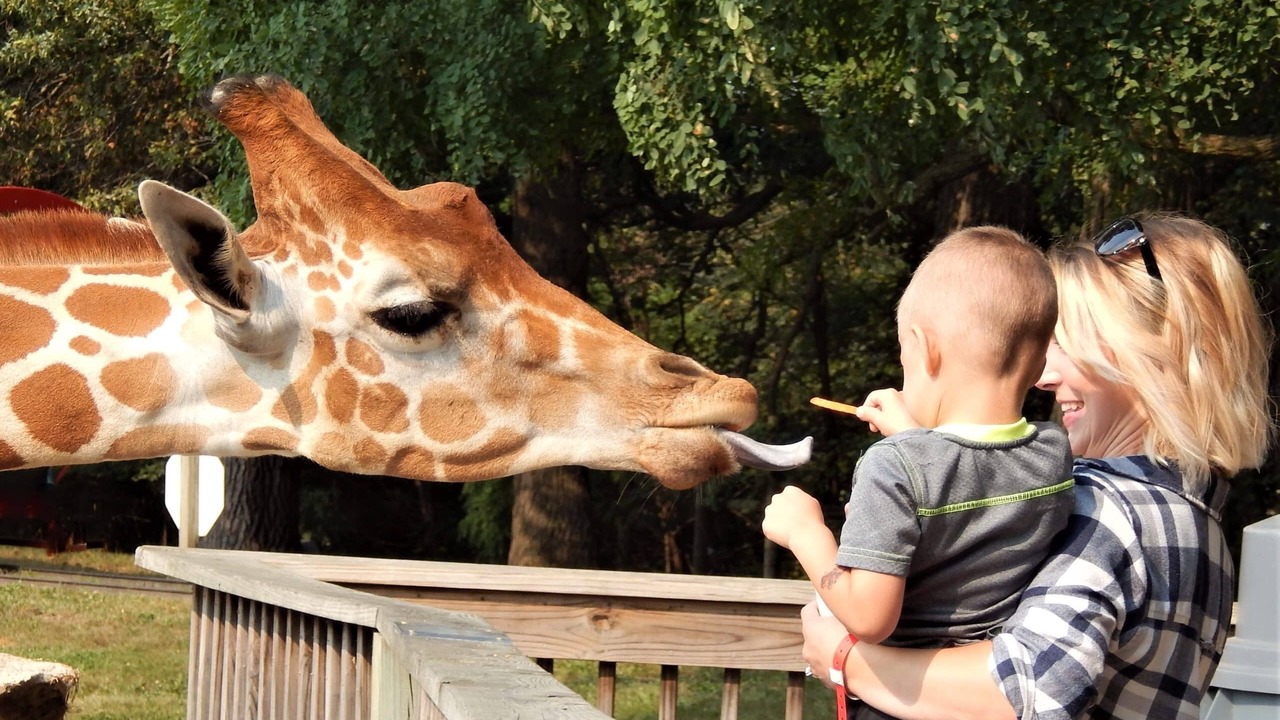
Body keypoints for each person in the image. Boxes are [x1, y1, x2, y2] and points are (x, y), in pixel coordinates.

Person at [799, 212, 1273, 720]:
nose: (1042, 376)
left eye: (1064, 343)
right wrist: (924, 448)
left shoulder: (1103, 510)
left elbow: (1021, 691)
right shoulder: (1199, 526)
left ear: (1150, 354)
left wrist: (843, 657)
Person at [762, 227, 1076, 667]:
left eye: (905, 360)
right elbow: (972, 476)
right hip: (985, 683)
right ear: (1040, 362)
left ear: (926, 349)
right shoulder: (1053, 452)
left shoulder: (892, 468)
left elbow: (869, 618)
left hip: (902, 695)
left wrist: (805, 533)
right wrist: (913, 438)